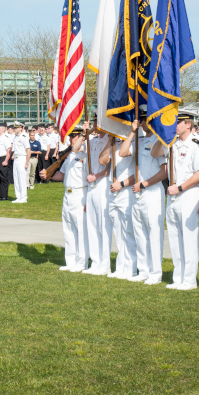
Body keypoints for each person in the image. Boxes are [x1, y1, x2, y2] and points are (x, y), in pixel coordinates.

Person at [124, 106, 168, 285]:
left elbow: (164, 172)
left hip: (152, 191)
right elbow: (122, 152)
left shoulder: (160, 142)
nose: (142, 122)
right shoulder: (139, 141)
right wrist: (132, 133)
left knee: (153, 233)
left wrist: (144, 184)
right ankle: (143, 270)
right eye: (141, 120)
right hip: (138, 193)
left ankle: (155, 273)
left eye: (145, 119)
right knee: (139, 233)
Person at [162, 109, 199, 291]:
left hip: (188, 195)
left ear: (188, 124)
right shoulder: (172, 145)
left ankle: (189, 280)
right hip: (173, 197)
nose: (175, 125)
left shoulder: (197, 146)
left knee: (188, 238)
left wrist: (179, 188)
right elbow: (156, 154)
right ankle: (177, 277)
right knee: (174, 238)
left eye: (178, 122)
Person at [41, 123, 88, 271]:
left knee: (81, 230)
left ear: (81, 136)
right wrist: (48, 174)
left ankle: (82, 263)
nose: (70, 139)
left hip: (81, 193)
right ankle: (71, 262)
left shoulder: (86, 154)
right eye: (70, 136)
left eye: (74, 136)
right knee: (68, 230)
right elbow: (63, 174)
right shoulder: (69, 155)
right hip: (67, 194)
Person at [99, 134, 137, 280]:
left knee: (129, 231)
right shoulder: (114, 143)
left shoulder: (134, 143)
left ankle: (131, 267)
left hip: (126, 191)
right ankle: (121, 267)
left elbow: (139, 173)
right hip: (114, 193)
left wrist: (122, 184)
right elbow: (102, 161)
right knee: (118, 232)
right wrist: (109, 140)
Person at [84, 117, 113, 275]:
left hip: (102, 184)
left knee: (103, 225)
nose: (93, 125)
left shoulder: (110, 141)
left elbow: (110, 166)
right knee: (92, 224)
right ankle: (95, 262)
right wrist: (84, 133)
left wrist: (98, 176)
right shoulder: (93, 141)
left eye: (96, 122)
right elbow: (76, 150)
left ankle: (105, 263)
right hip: (91, 185)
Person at [11, 122, 30, 204]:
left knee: (22, 179)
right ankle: (18, 196)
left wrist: (26, 162)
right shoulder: (15, 137)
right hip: (16, 158)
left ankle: (23, 197)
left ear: (20, 128)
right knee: (16, 178)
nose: (14, 129)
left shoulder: (24, 137)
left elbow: (28, 150)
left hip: (22, 158)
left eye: (16, 128)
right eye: (14, 128)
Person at [0, 124, 12, 201]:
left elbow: (9, 150)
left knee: (4, 178)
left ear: (3, 130)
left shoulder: (5, 138)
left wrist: (6, 160)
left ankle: (4, 196)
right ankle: (0, 196)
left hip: (3, 158)